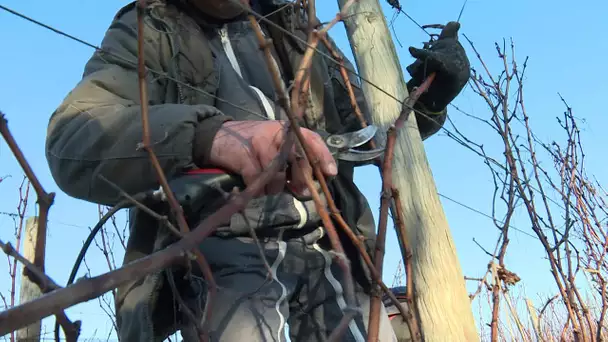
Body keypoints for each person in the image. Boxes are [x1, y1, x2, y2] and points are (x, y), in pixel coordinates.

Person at [45, 0, 470, 341]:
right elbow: (72, 138)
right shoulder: (149, 30)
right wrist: (213, 137)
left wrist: (428, 98)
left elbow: (370, 131)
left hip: (336, 254)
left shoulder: (298, 28)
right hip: (223, 261)